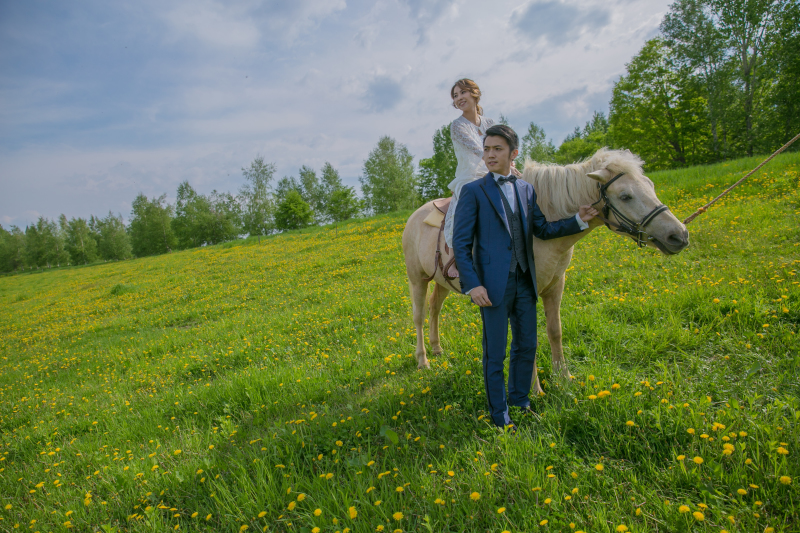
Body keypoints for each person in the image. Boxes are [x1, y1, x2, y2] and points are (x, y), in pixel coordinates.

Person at [452, 124, 598, 431]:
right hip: (491, 286)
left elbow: (543, 230)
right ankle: (499, 416)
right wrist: (473, 284)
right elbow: (462, 244)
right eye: (487, 149)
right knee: (496, 353)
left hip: (525, 282)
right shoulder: (473, 191)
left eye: (497, 149)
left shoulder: (526, 189)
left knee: (526, 346)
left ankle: (520, 402)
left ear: (513, 154)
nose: (489, 155)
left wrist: (578, 220)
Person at [444, 79, 515, 248]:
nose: (459, 97)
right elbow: (480, 151)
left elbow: (501, 147)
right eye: (455, 95)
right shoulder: (457, 126)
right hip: (470, 177)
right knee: (462, 209)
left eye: (463, 92)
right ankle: (458, 256)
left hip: (496, 171)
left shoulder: (489, 123)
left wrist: (511, 165)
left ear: (474, 93)